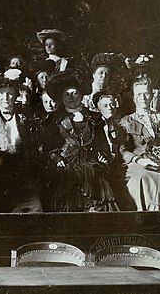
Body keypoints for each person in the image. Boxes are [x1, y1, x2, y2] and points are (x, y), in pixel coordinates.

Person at [43, 70, 119, 212]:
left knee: (95, 172)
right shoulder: (54, 120)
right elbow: (49, 147)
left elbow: (102, 144)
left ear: (81, 95)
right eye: (67, 94)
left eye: (75, 93)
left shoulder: (94, 118)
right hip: (65, 162)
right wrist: (56, 158)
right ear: (61, 97)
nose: (71, 97)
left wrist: (102, 155)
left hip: (91, 162)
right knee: (68, 177)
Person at [0, 69, 43, 213]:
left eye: (10, 94)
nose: (6, 98)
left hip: (22, 177)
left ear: (15, 96)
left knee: (35, 210)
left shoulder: (25, 119)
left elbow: (32, 150)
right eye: (2, 94)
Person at [119, 77, 160, 210]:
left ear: (152, 95)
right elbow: (122, 149)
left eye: (146, 93)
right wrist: (139, 160)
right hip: (138, 164)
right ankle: (150, 218)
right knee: (144, 177)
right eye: (139, 94)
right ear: (133, 97)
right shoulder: (127, 120)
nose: (143, 97)